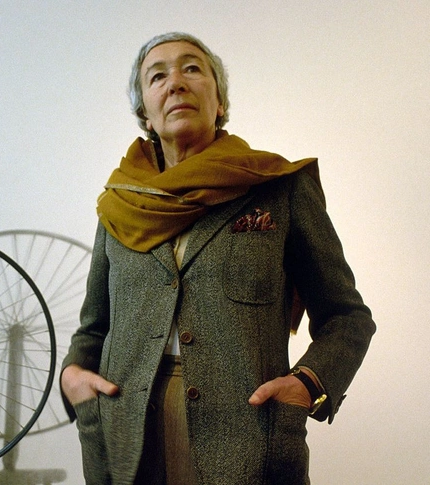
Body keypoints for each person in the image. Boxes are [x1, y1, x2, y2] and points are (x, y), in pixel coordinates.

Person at [60, 32, 375, 485]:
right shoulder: (121, 203)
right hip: (126, 439)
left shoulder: (278, 188)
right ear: (144, 112)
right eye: (157, 76)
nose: (175, 82)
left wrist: (309, 383)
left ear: (220, 101)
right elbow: (95, 325)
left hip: (250, 442)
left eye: (192, 68)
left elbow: (347, 316)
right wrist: (73, 377)